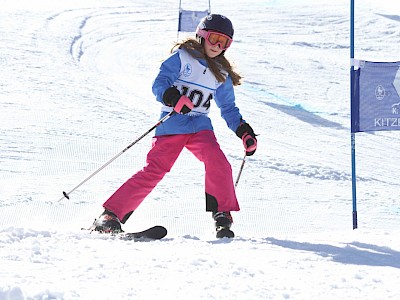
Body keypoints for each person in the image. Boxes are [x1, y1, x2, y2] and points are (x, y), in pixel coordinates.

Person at [90, 14, 257, 237]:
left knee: (218, 162)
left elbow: (228, 109)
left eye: (224, 42)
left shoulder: (221, 74)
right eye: (215, 38)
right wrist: (173, 97)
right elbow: (160, 83)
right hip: (173, 124)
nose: (218, 46)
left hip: (199, 126)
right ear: (202, 36)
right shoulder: (182, 58)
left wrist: (243, 131)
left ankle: (222, 214)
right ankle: (110, 215)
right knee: (156, 169)